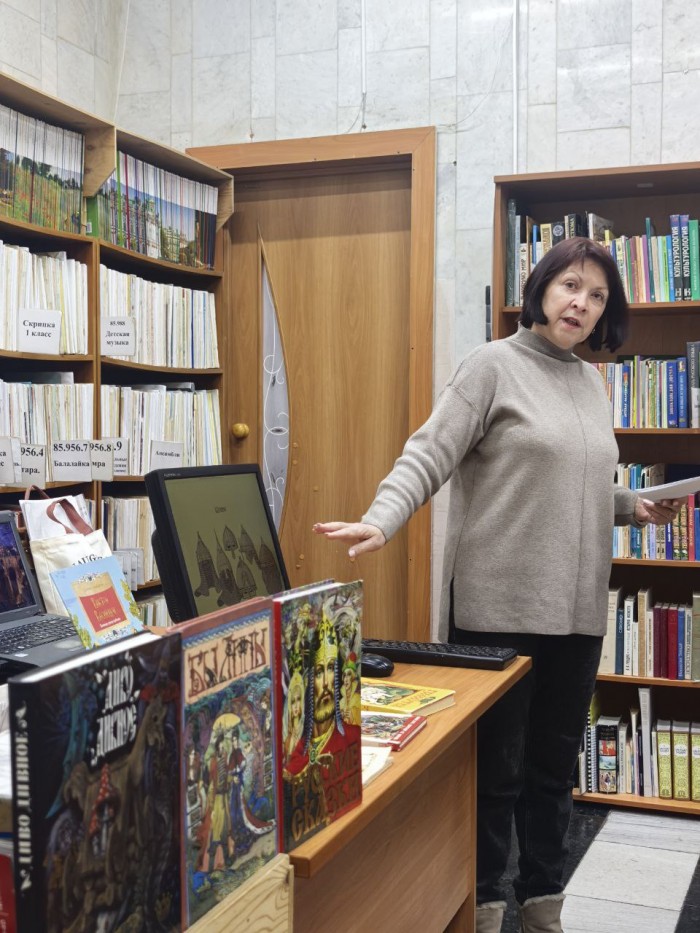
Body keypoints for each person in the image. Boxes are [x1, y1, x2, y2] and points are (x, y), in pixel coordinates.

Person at [313, 237, 682, 933]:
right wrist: (381, 519)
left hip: (576, 613)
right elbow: (429, 453)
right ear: (540, 287)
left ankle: (543, 906)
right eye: (571, 285)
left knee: (553, 773)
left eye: (597, 295)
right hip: (497, 610)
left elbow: (574, 485)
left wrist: (632, 506)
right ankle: (480, 909)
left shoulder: (592, 382)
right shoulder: (491, 366)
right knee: (494, 775)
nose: (581, 303)